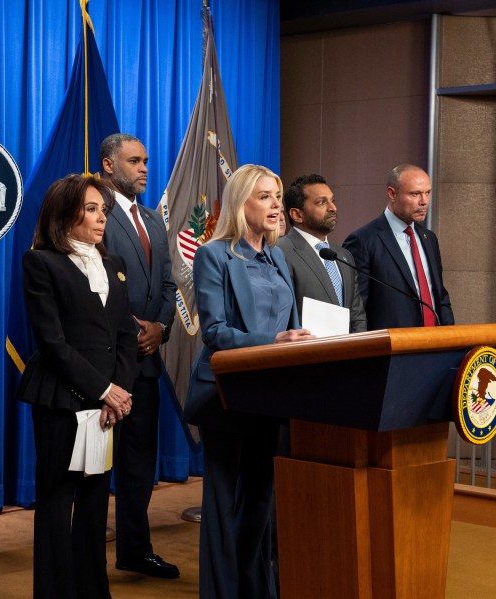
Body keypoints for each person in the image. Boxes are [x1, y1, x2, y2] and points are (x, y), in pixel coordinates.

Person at [185, 164, 315, 599]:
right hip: (227, 393)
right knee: (224, 505)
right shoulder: (214, 255)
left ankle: (255, 588)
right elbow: (215, 332)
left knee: (260, 500)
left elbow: (289, 322)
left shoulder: (277, 256)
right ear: (241, 204)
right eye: (265, 196)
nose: (276, 205)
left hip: (271, 394)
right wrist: (273, 341)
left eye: (277, 196)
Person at [16, 174, 137, 598]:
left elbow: (125, 335)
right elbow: (52, 342)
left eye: (103, 210)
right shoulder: (41, 263)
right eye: (91, 209)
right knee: (56, 504)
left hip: (108, 405)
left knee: (95, 502)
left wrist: (118, 392)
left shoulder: (115, 264)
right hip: (61, 398)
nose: (102, 218)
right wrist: (103, 390)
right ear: (66, 214)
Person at [98, 134, 179, 579]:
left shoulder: (151, 218)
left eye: (146, 160)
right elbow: (92, 283)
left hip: (146, 362)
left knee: (139, 464)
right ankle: (84, 556)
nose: (145, 167)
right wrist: (134, 331)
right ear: (108, 165)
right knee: (92, 466)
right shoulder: (94, 212)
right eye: (134, 161)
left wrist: (160, 328)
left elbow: (168, 283)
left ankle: (134, 549)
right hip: (104, 364)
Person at [342, 164, 454, 329]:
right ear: (392, 194)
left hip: (434, 341)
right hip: (392, 342)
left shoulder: (429, 238)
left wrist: (450, 335)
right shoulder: (362, 241)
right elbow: (357, 309)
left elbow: (439, 295)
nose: (424, 202)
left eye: (427, 193)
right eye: (415, 194)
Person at [277, 174, 367, 333]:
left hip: (348, 348)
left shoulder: (343, 255)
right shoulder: (279, 252)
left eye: (332, 200)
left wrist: (360, 347)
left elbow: (356, 316)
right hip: (306, 347)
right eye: (321, 202)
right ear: (297, 215)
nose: (333, 208)